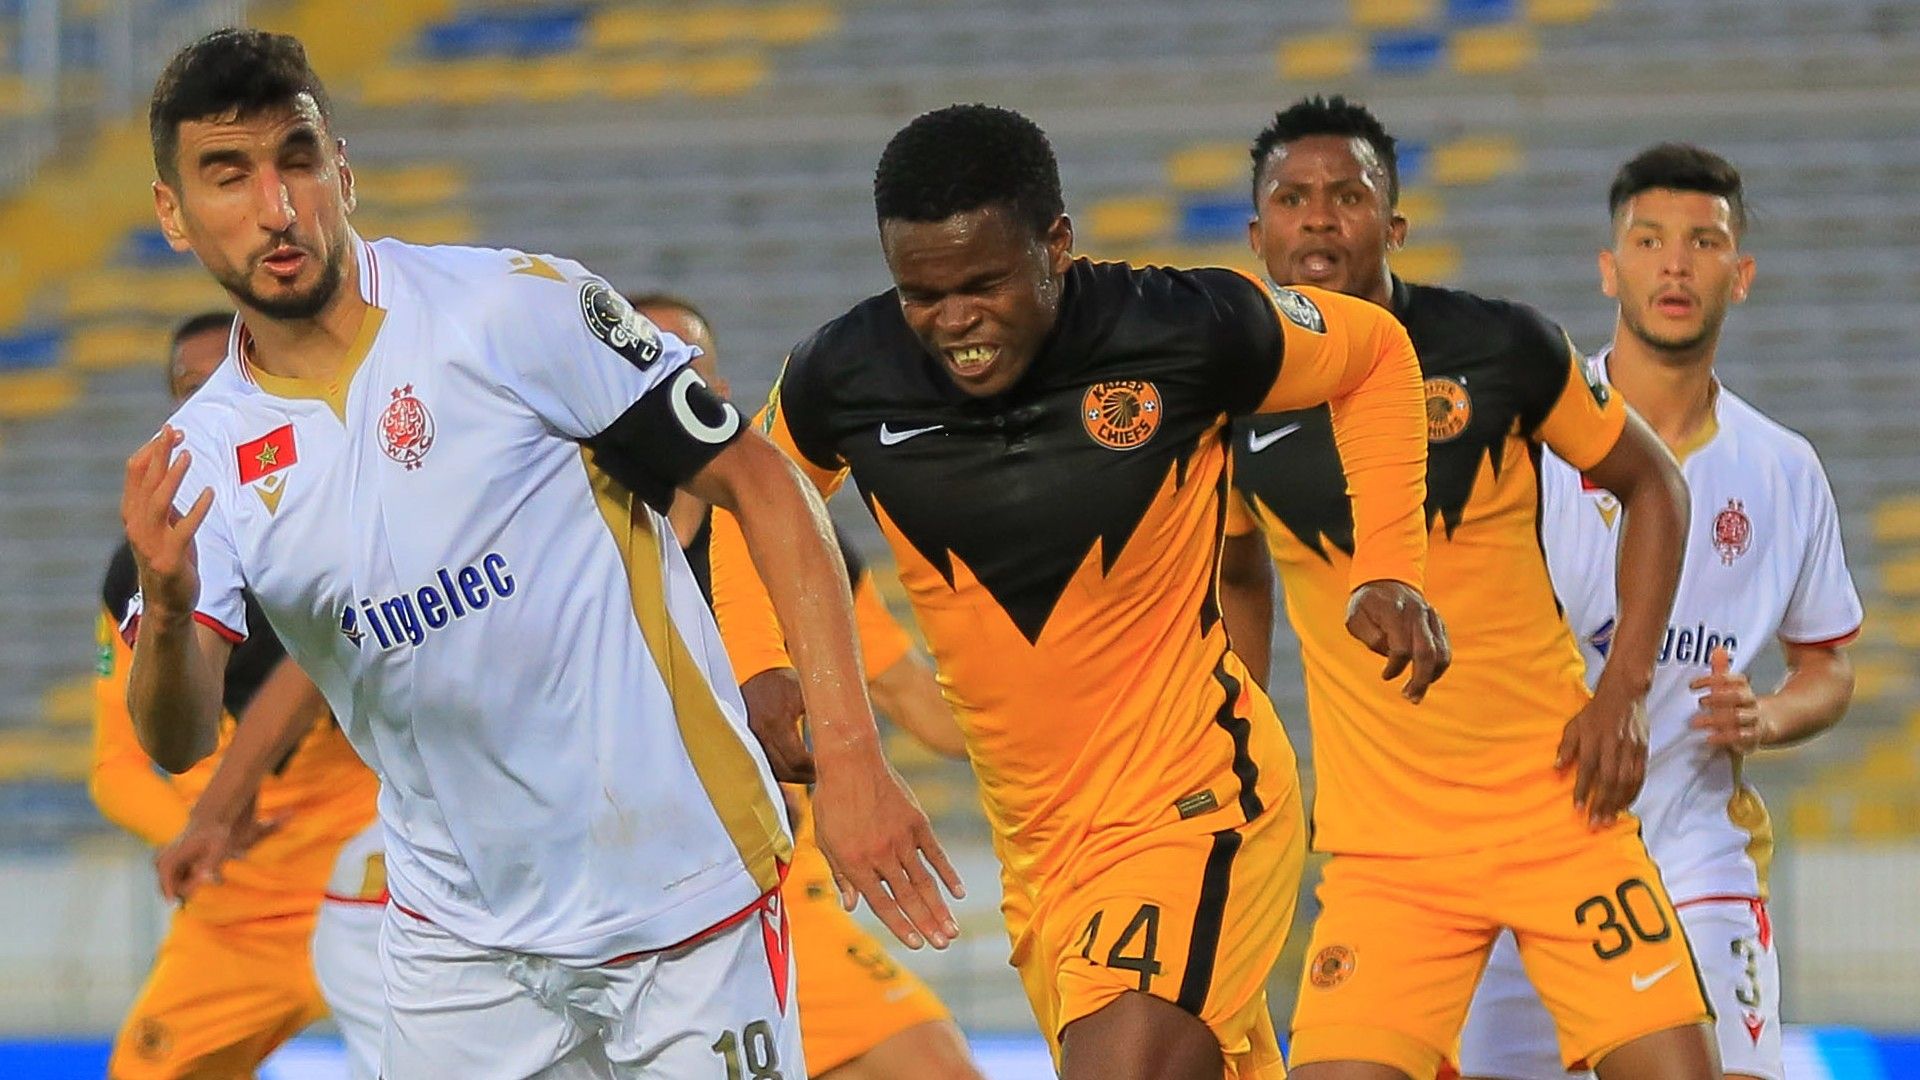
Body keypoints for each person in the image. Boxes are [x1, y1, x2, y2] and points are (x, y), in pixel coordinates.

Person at [122, 29, 957, 1077]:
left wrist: (853, 760)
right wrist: (163, 604)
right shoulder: (198, 460)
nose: (276, 208)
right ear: (173, 213)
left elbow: (763, 485)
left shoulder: (511, 310)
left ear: (343, 169)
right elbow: (179, 730)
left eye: (296, 160)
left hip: (682, 896)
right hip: (458, 941)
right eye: (227, 176)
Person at [709, 103, 1447, 1080]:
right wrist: (762, 665)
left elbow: (1377, 355)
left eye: (983, 283)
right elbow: (750, 501)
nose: (955, 321)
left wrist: (1388, 564)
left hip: (1197, 806)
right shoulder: (846, 373)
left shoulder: (1186, 324)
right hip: (1041, 859)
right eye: (922, 294)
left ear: (1056, 245)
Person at [1214, 96, 1714, 1079]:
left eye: (1348, 195)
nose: (1319, 217)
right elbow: (1236, 568)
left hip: (1560, 813)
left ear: (1392, 226)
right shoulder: (1228, 394)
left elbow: (1655, 485)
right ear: (1258, 232)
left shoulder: (1503, 347)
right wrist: (1237, 735)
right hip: (1383, 855)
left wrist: (1625, 695)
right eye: (1292, 197)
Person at [1456, 145, 1862, 1080]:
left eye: (1703, 242)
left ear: (1741, 274)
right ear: (1611, 268)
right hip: (1528, 853)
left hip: (1697, 858)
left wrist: (1769, 715)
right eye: (1649, 240)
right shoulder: (1531, 447)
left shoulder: (1784, 467)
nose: (1675, 263)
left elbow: (1828, 663)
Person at [632, 293, 987, 1080]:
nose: (657, 384)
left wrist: (1059, 715)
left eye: (681, 366)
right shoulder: (561, 548)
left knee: (935, 1068)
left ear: (717, 400)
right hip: (629, 900)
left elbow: (919, 707)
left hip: (783, 889)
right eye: (634, 360)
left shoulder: (788, 545)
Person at [91, 311, 380, 1079]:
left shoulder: (342, 512)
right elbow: (115, 765)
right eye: (191, 392)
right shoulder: (137, 580)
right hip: (237, 911)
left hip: (373, 872)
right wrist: (198, 831)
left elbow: (321, 666)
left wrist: (216, 811)